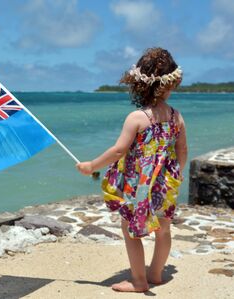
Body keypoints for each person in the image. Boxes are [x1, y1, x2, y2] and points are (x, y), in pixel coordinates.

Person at [76, 47, 188, 292]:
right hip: (166, 183)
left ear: (139, 85)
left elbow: (118, 151)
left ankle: (139, 281)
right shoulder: (175, 116)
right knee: (164, 227)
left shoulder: (136, 118)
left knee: (130, 229)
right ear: (168, 85)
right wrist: (176, 173)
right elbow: (183, 150)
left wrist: (91, 166)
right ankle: (156, 274)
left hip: (140, 184)